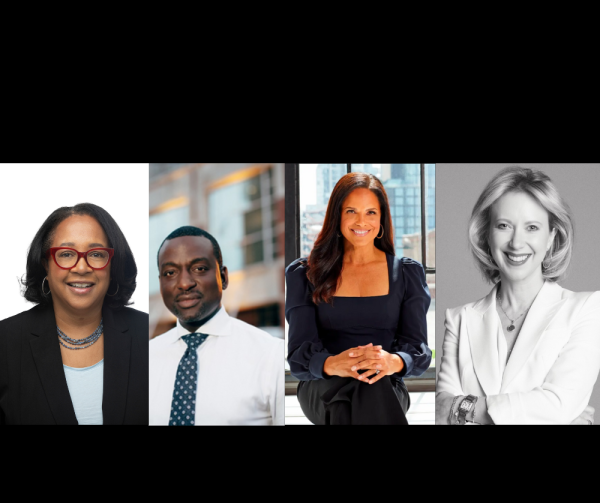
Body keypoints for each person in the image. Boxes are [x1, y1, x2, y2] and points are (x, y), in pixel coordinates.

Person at [436, 166, 600, 425]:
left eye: (532, 227)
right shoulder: (460, 320)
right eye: (504, 226)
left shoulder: (587, 309)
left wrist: (460, 407)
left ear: (551, 238)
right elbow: (441, 417)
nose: (516, 242)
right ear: (487, 235)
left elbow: (558, 406)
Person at [286, 172, 431, 425]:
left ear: (382, 218)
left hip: (385, 382)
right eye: (351, 211)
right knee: (362, 388)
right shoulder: (305, 273)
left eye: (371, 212)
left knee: (368, 384)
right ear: (337, 216)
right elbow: (299, 356)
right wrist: (334, 364)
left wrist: (392, 361)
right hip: (322, 385)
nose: (361, 221)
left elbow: (418, 350)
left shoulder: (407, 273)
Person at [0, 204, 148, 425]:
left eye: (96, 254)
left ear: (112, 265)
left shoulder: (148, 335)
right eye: (67, 254)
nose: (81, 268)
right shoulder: (5, 342)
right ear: (46, 265)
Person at [149, 226, 284, 425]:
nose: (185, 283)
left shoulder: (272, 356)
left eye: (199, 269)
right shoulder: (143, 360)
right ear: (160, 283)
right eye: (170, 272)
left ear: (224, 277)